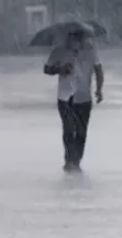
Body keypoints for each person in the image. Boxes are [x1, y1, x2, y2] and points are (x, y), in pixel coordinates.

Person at [44, 30, 104, 173]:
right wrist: (59, 68)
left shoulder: (91, 50)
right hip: (65, 97)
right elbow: (46, 69)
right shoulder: (59, 50)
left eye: (81, 37)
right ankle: (69, 160)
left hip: (84, 96)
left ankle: (76, 160)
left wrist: (99, 89)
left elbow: (98, 69)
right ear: (69, 37)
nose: (79, 40)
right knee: (69, 128)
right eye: (75, 37)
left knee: (82, 131)